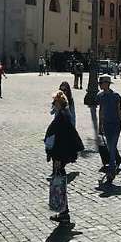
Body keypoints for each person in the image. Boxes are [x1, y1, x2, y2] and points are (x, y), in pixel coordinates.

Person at [45, 91, 83, 232]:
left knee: (60, 185)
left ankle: (64, 213)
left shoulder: (63, 116)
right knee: (60, 184)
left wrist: (58, 159)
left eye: (54, 102)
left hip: (59, 156)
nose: (53, 104)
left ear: (59, 102)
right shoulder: (63, 114)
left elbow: (62, 139)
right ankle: (63, 212)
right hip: (59, 155)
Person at [95, 75, 121, 190]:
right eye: (99, 83)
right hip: (106, 125)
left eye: (101, 83)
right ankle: (113, 165)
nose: (100, 85)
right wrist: (100, 126)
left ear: (107, 84)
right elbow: (101, 111)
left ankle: (111, 171)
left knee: (112, 147)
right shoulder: (100, 96)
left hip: (115, 125)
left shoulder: (116, 96)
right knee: (110, 147)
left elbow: (120, 112)